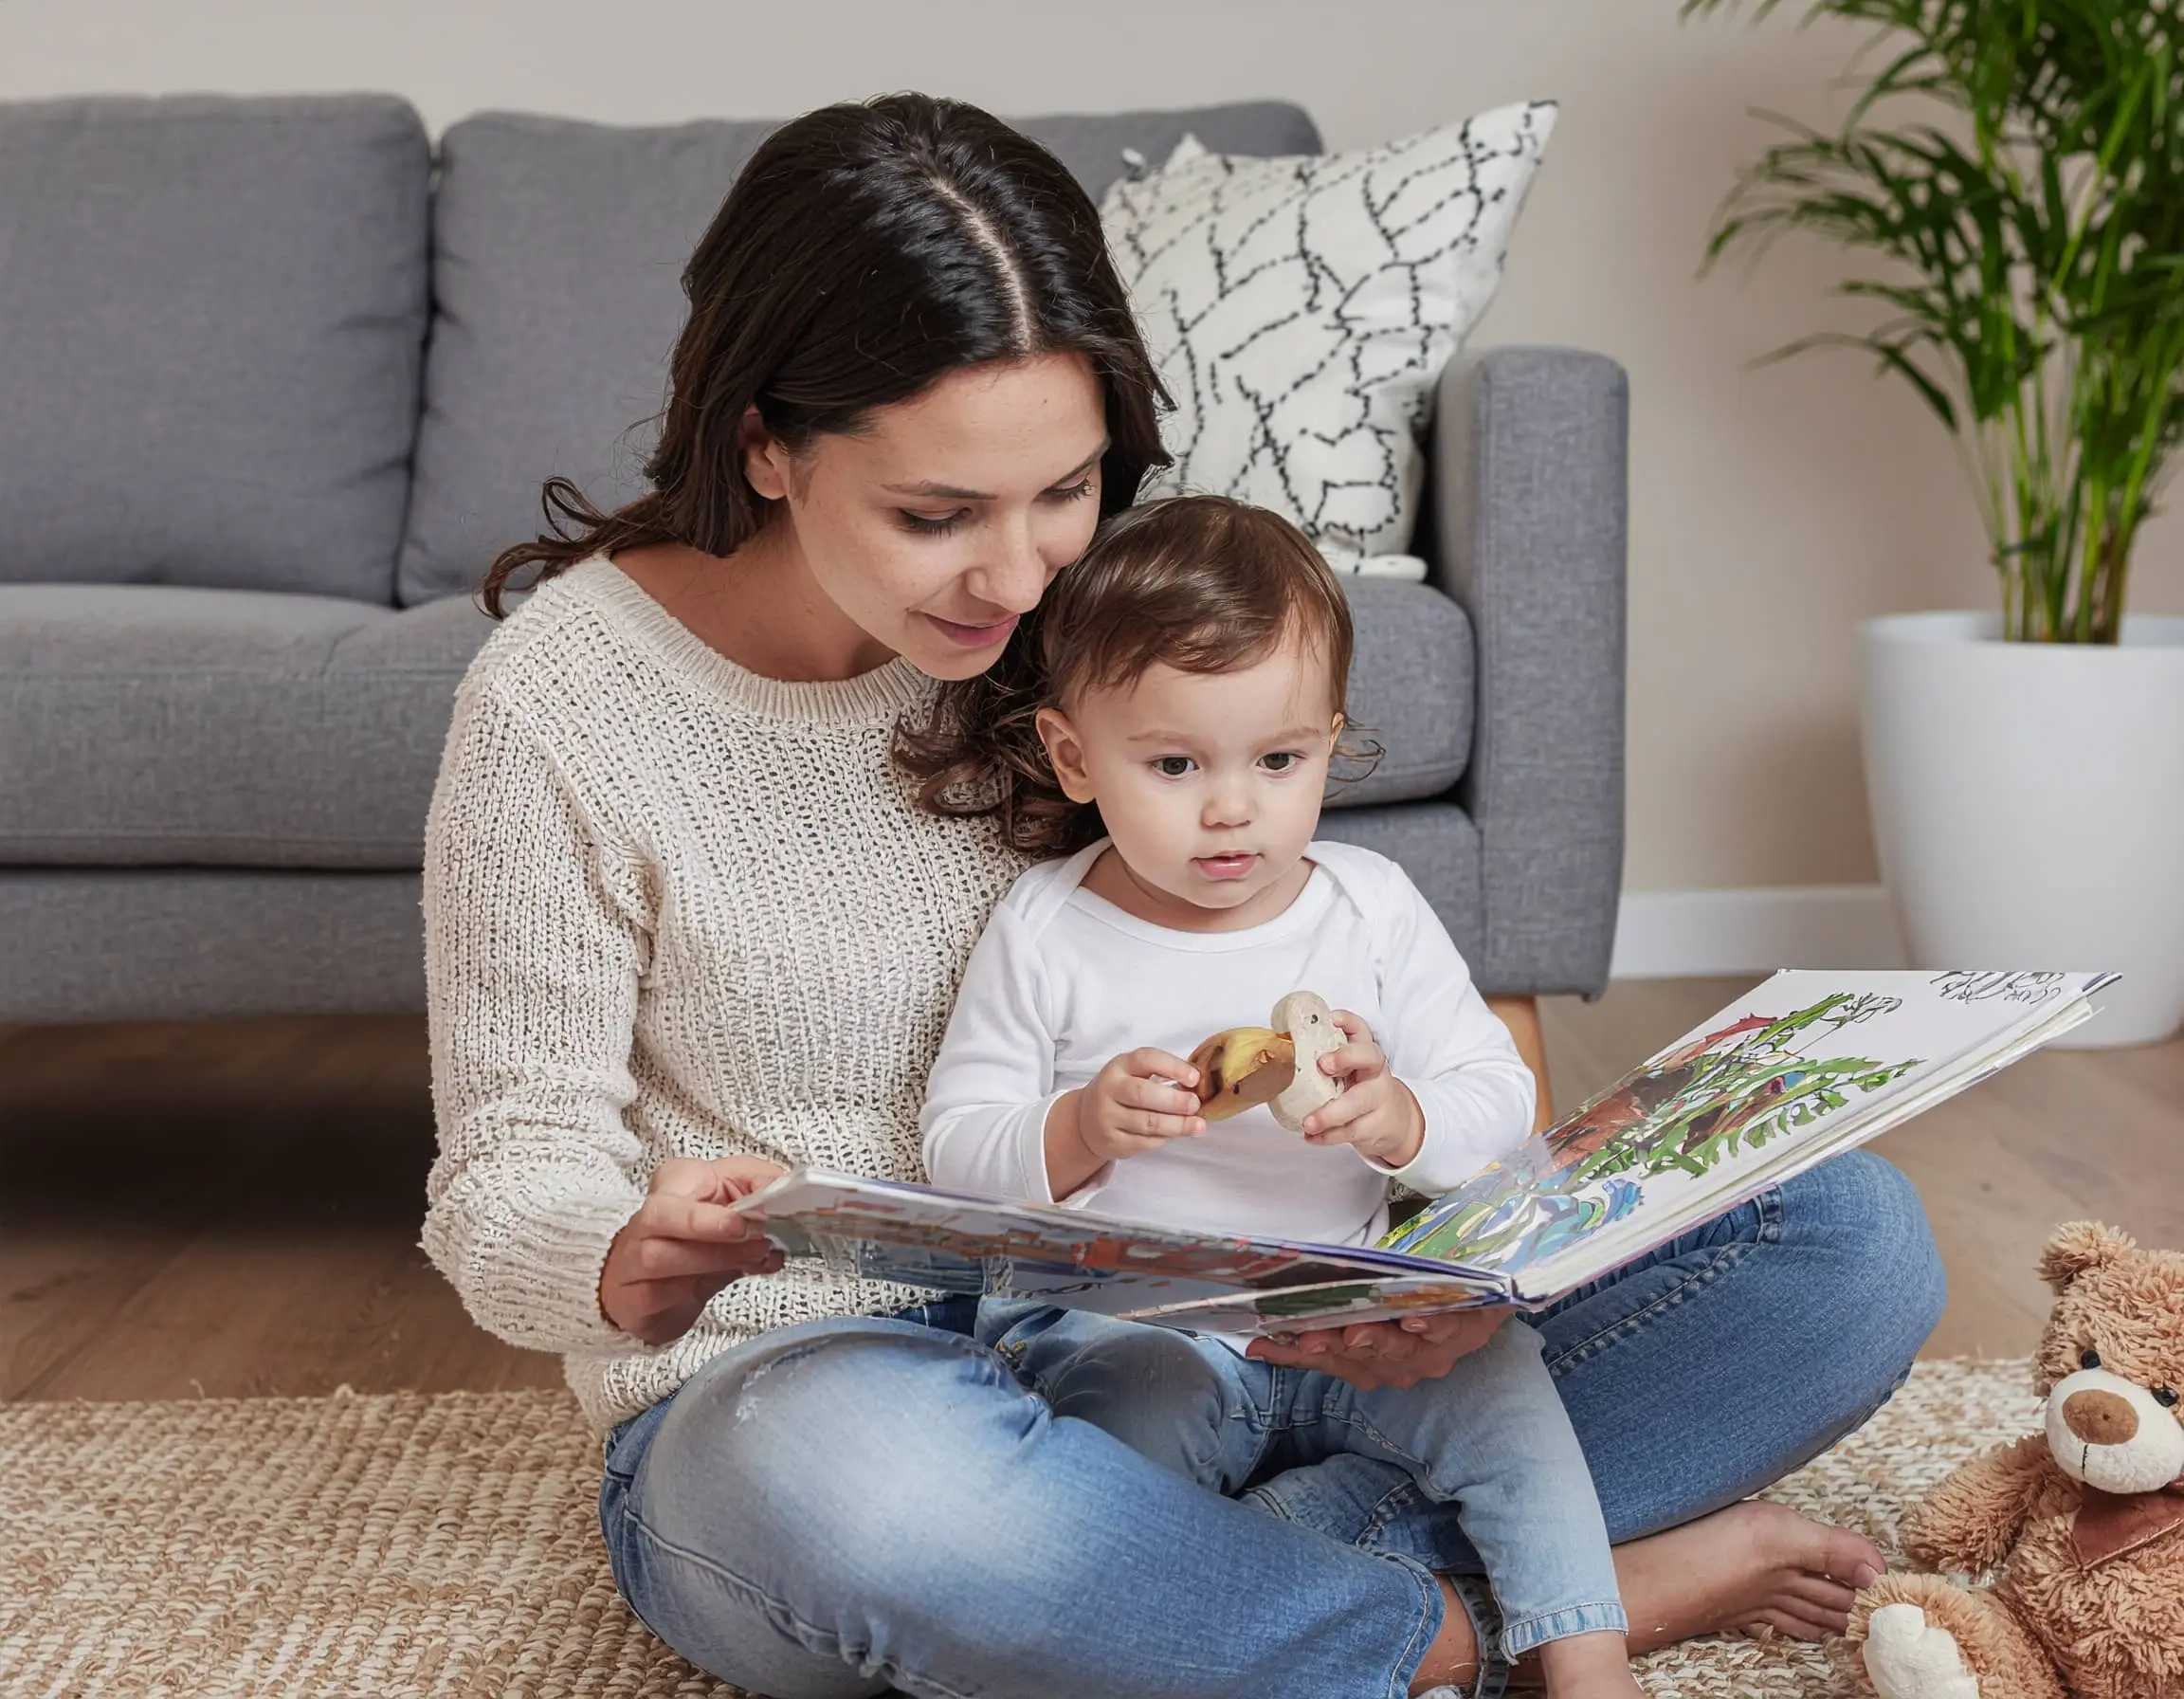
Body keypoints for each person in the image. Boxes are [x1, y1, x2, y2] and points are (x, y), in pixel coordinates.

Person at [419, 90, 1946, 1699]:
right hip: (833, 1395)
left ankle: (1188, 1606)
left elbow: (1318, 923)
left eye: (1064, 491)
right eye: (935, 516)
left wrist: (1432, 1247)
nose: (1016, 580)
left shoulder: (1090, 621)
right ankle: (1503, 1613)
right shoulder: (560, 711)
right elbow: (502, 1183)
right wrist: (611, 1248)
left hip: (1239, 1346)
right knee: (851, 1484)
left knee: (1843, 1240)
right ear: (764, 446)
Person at [919, 494, 1637, 1697]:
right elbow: (955, 1155)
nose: (1231, 807)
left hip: (1355, 1318)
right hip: (1137, 1327)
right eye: (1174, 763)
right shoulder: (1046, 928)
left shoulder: (1370, 907)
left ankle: (1587, 1657)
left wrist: (1403, 1115)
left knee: (1503, 1383)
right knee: (1114, 1455)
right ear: (1073, 754)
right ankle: (1208, 1620)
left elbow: (1498, 1097)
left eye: (1279, 760)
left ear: (1331, 740)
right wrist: (1082, 1125)